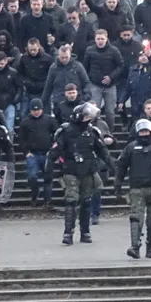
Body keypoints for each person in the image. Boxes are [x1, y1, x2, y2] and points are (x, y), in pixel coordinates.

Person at [46, 102, 111, 245]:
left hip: (88, 171)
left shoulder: (92, 132)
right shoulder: (65, 131)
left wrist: (113, 166)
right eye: (86, 116)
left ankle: (85, 232)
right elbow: (53, 152)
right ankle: (68, 233)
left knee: (87, 201)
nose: (88, 119)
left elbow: (102, 151)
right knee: (71, 201)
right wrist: (49, 171)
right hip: (71, 170)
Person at [114, 118, 151, 259]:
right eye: (141, 131)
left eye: (146, 131)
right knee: (136, 217)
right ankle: (135, 246)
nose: (144, 134)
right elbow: (121, 165)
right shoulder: (131, 147)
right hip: (137, 188)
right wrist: (118, 183)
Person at [17, 98, 57, 206]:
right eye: (34, 110)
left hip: (47, 153)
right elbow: (21, 139)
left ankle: (47, 200)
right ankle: (35, 192)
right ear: (30, 110)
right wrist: (26, 152)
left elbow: (57, 133)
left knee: (48, 177)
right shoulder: (25, 122)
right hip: (33, 154)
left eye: (39, 109)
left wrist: (55, 146)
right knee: (32, 176)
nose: (36, 112)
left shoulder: (49, 120)